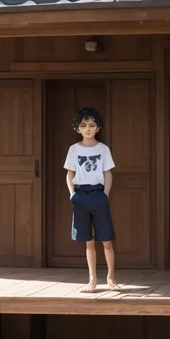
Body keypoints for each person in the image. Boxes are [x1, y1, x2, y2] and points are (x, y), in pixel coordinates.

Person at [64, 107, 120, 294]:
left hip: (98, 195)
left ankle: (111, 278)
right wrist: (72, 194)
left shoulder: (103, 149)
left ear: (98, 128)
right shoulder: (74, 150)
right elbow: (69, 174)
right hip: (81, 195)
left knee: (106, 240)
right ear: (77, 128)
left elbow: (108, 173)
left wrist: (105, 194)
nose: (88, 128)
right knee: (88, 241)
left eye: (92, 125)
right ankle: (92, 280)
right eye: (83, 125)